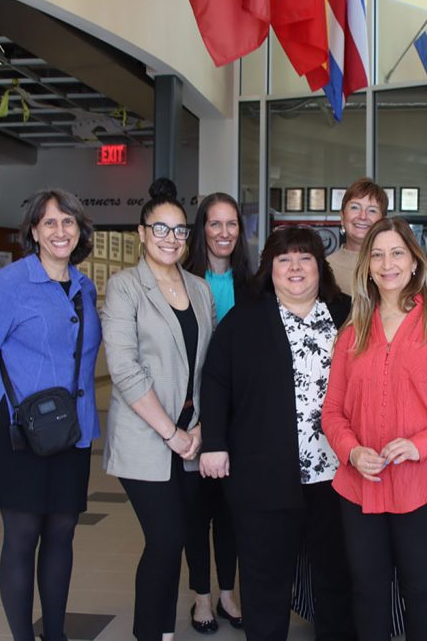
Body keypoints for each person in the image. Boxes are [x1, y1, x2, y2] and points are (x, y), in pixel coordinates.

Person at [322, 218, 427, 641]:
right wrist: (351, 451)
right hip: (362, 479)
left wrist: (420, 445)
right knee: (368, 587)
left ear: (415, 261)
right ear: (367, 265)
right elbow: (333, 411)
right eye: (377, 254)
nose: (386, 263)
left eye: (397, 253)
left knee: (419, 583)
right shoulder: (353, 331)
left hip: (425, 477)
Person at [200, 226, 354, 641]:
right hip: (263, 475)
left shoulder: (347, 313)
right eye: (284, 259)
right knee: (265, 577)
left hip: (337, 474)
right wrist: (213, 443)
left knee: (336, 576)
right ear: (269, 268)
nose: (295, 267)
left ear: (321, 267)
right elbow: (215, 381)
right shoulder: (246, 318)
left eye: (305, 258)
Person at [0, 189, 101, 641]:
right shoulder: (9, 284)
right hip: (18, 434)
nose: (60, 231)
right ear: (34, 232)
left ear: (80, 231)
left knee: (62, 534)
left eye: (68, 222)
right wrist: (4, 414)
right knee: (22, 538)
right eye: (50, 223)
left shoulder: (83, 286)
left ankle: (54, 633)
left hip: (70, 431)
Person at [101, 178, 215, 641]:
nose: (171, 239)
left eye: (180, 230)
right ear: (142, 233)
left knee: (180, 540)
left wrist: (204, 426)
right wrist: (172, 433)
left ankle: (164, 631)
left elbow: (211, 366)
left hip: (194, 434)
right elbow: (125, 370)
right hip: (148, 435)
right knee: (165, 540)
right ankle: (152, 633)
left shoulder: (200, 288)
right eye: (161, 229)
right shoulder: (125, 287)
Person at [183, 192, 250, 631]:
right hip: (191, 415)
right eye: (214, 223)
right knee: (196, 512)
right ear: (201, 228)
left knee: (231, 512)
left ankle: (229, 593)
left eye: (231, 224)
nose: (223, 233)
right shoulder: (184, 280)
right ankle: (201, 598)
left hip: (239, 417)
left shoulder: (253, 283)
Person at [326, 177, 388, 295]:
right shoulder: (324, 268)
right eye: (355, 207)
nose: (363, 216)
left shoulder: (392, 266)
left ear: (382, 220)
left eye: (372, 210)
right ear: (342, 217)